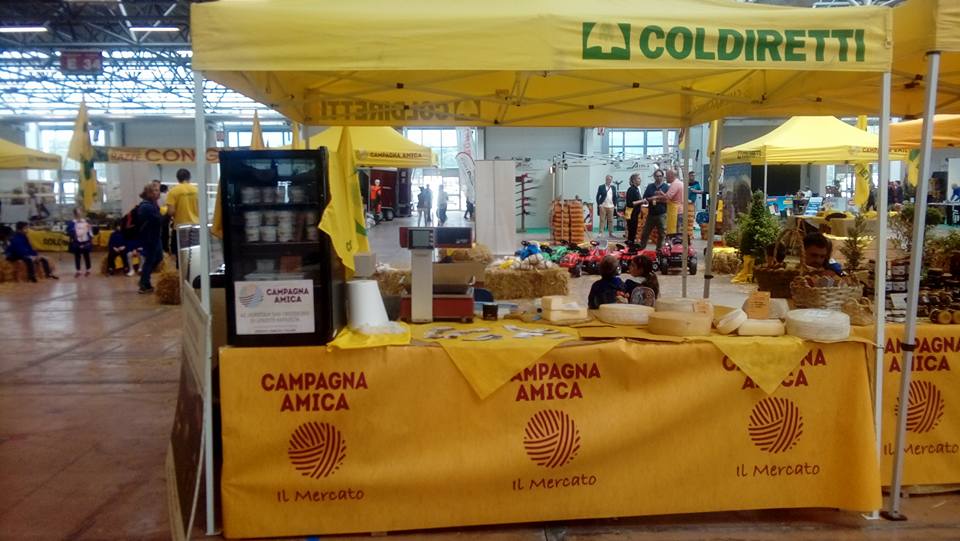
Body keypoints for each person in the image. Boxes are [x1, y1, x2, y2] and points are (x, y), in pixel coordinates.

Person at [166, 168, 199, 259]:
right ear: (189, 177)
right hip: (196, 226)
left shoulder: (173, 191)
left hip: (180, 227)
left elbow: (171, 211)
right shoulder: (196, 190)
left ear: (177, 178)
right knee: (195, 253)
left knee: (181, 256)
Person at [137, 183, 164, 294]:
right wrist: (166, 215)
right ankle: (144, 283)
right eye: (156, 190)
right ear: (149, 193)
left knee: (158, 258)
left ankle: (144, 279)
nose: (158, 192)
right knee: (150, 260)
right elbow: (158, 220)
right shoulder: (146, 206)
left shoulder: (152, 204)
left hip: (154, 236)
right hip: (150, 237)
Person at [637, 169, 669, 250]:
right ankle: (641, 249)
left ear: (663, 177)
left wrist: (658, 198)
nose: (658, 178)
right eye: (657, 176)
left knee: (662, 234)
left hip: (662, 214)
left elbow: (668, 199)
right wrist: (651, 198)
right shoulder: (650, 186)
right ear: (654, 177)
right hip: (651, 214)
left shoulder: (666, 187)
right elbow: (645, 198)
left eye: (660, 176)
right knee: (645, 233)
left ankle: (659, 250)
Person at [66, 207, 93, 277]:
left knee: (86, 256)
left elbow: (91, 231)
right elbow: (68, 231)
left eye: (80, 213)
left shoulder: (86, 221)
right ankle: (78, 271)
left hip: (85, 241)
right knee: (77, 256)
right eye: (77, 213)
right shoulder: (72, 222)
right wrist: (74, 233)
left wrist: (90, 229)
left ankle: (88, 270)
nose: (79, 214)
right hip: (77, 241)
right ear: (75, 214)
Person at [663, 169, 685, 235]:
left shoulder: (675, 184)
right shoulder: (680, 183)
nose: (666, 177)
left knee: (675, 232)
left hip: (676, 212)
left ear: (671, 175)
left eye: (667, 176)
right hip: (681, 210)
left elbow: (668, 197)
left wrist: (658, 196)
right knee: (679, 232)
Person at [624, 173, 643, 244]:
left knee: (633, 229)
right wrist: (642, 201)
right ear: (634, 180)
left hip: (635, 212)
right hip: (631, 212)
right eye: (638, 178)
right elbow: (631, 203)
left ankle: (631, 242)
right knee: (632, 229)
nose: (640, 180)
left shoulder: (636, 189)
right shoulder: (631, 189)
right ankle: (630, 242)